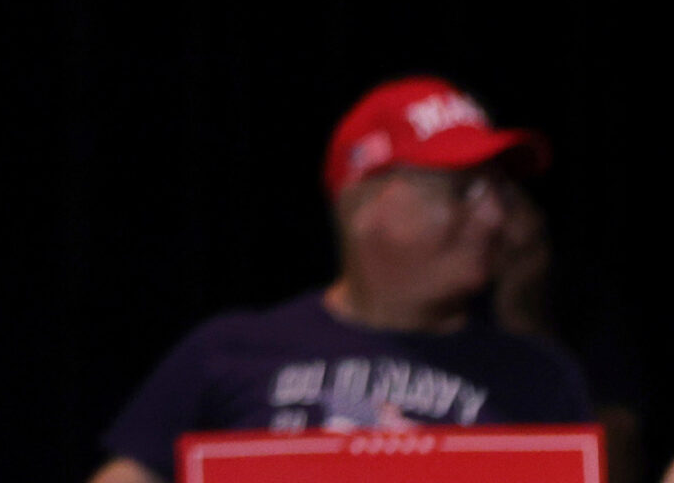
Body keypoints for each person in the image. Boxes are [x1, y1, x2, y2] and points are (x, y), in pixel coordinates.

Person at [89, 78, 595, 483]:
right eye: (463, 191)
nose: (494, 217)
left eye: (499, 192)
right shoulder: (228, 351)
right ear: (364, 203)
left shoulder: (539, 378)